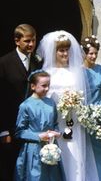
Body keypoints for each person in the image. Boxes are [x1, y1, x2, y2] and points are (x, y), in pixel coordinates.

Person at [36, 30, 99, 181]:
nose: (65, 54)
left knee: (75, 153)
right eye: (61, 50)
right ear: (54, 52)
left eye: (67, 50)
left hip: (73, 122)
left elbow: (82, 96)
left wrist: (75, 104)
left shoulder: (76, 72)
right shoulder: (47, 73)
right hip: (55, 122)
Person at [0, 24, 42, 181]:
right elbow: (1, 99)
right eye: (27, 41)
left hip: (32, 126)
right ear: (17, 41)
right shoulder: (4, 63)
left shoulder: (38, 62)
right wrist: (3, 130)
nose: (31, 44)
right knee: (10, 166)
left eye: (34, 40)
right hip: (11, 125)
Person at [15, 70, 65, 181]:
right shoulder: (25, 106)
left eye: (48, 86)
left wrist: (56, 132)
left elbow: (55, 123)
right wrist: (38, 136)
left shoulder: (51, 103)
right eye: (43, 86)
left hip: (51, 147)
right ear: (33, 86)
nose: (47, 89)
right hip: (34, 149)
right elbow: (19, 132)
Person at [81, 35, 101, 181]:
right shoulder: (77, 71)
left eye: (95, 53)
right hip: (83, 119)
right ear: (84, 53)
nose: (93, 56)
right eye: (90, 53)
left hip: (99, 118)